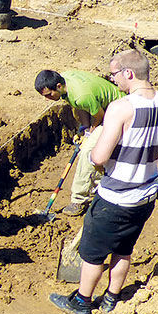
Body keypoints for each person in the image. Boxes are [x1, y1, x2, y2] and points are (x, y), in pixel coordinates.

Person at [50, 49, 158, 314]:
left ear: (128, 73)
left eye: (114, 74)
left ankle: (82, 302)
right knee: (123, 249)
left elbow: (99, 157)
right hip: (146, 195)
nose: (113, 80)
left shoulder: (121, 108)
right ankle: (111, 298)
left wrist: (94, 153)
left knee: (92, 255)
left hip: (115, 197)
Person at [35, 68, 125, 216]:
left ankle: (79, 200)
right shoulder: (65, 80)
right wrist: (85, 128)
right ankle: (101, 185)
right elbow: (79, 106)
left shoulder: (81, 95)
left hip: (118, 112)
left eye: (49, 95)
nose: (47, 99)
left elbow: (99, 116)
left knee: (87, 152)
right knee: (91, 146)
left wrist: (90, 134)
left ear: (58, 86)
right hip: (105, 107)